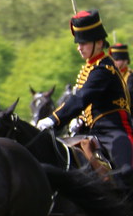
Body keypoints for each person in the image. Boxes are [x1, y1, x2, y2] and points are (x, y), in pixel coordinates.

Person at [37, 10, 133, 178]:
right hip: (92, 131)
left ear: (99, 42)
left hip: (113, 131)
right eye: (78, 43)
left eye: (84, 43)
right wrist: (81, 119)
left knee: (126, 173)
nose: (79, 48)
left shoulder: (104, 69)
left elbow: (82, 98)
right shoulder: (90, 68)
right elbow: (91, 104)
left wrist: (54, 119)